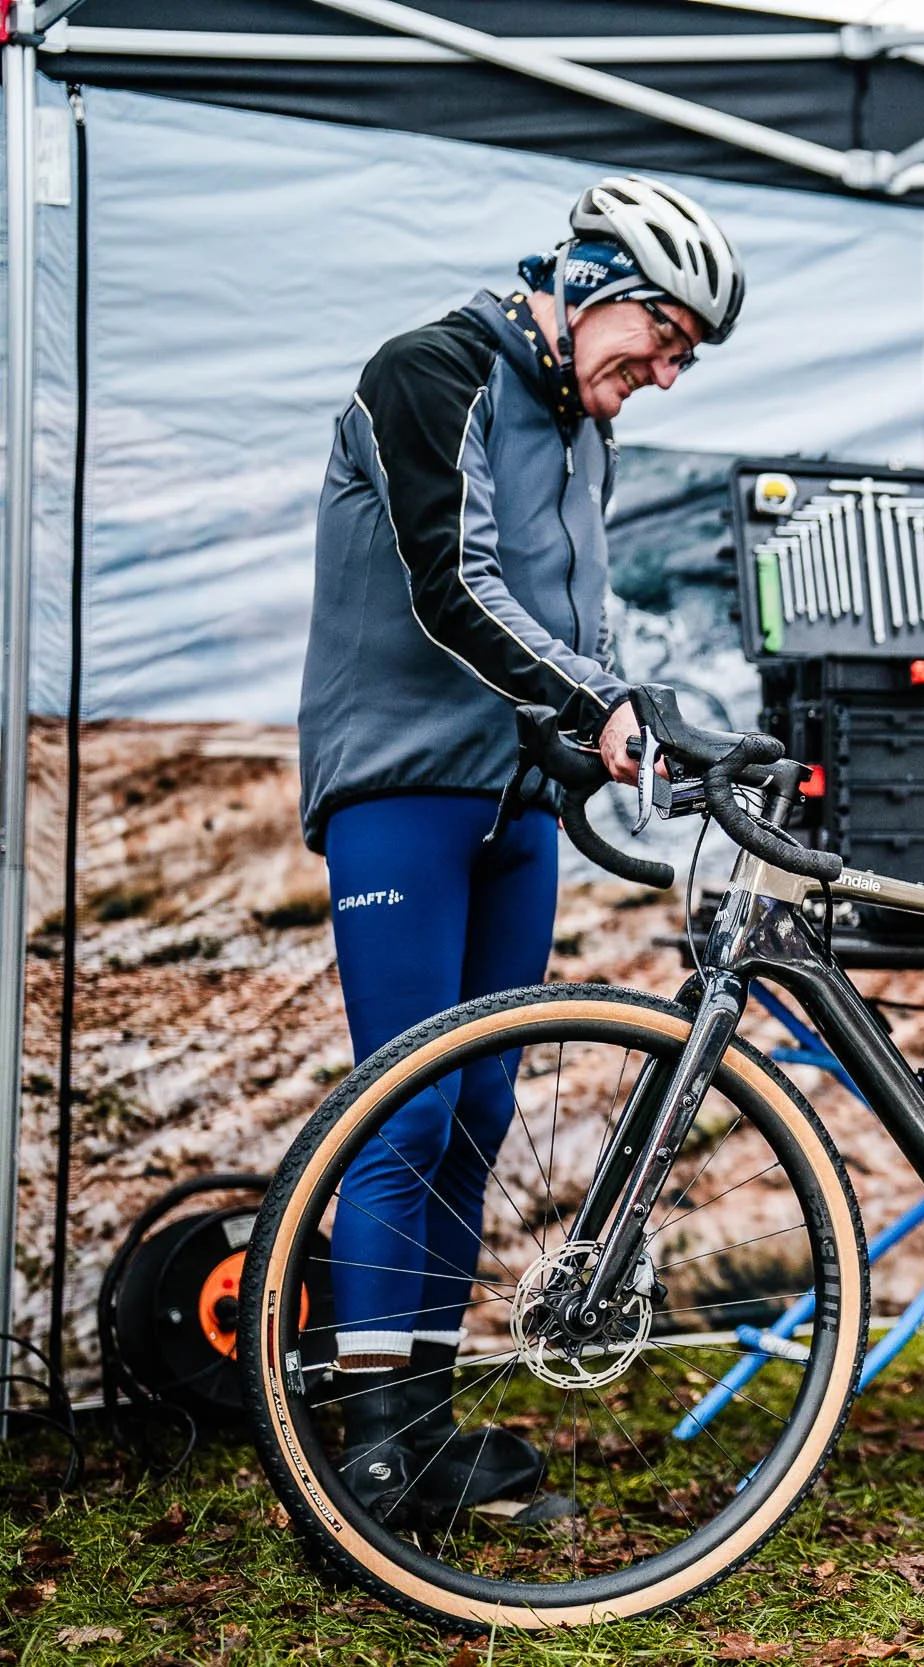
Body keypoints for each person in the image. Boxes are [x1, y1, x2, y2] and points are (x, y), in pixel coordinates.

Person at [295, 175, 743, 1526]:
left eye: (682, 360)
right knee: (407, 1106)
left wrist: (610, 724)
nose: (662, 373)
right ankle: (367, 1444)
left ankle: (416, 1419)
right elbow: (455, 583)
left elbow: (574, 621)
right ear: (593, 278)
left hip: (512, 806)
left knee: (479, 1113)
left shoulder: (574, 421)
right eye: (659, 338)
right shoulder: (430, 372)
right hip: (401, 790)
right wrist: (599, 707)